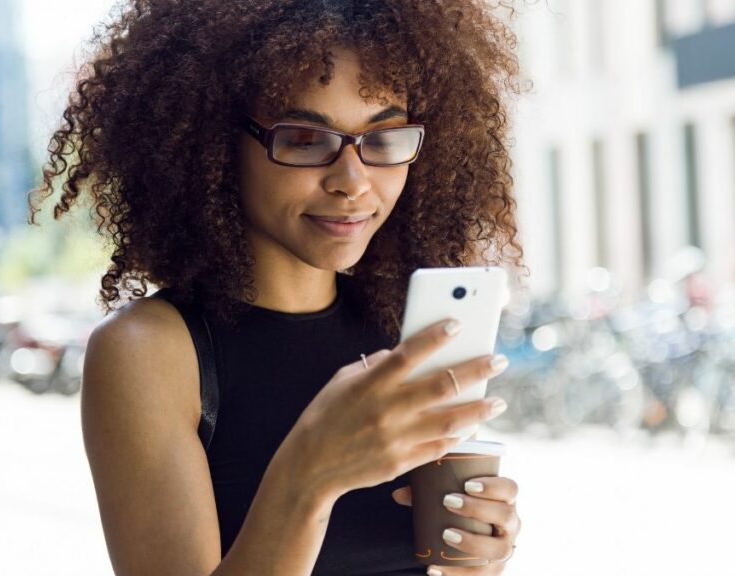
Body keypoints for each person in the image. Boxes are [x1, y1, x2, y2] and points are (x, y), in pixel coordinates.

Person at [29, 1, 528, 574]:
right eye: (305, 139)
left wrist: (478, 558)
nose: (352, 181)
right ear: (213, 143)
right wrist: (309, 476)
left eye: (385, 138)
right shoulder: (151, 352)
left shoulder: (401, 330)